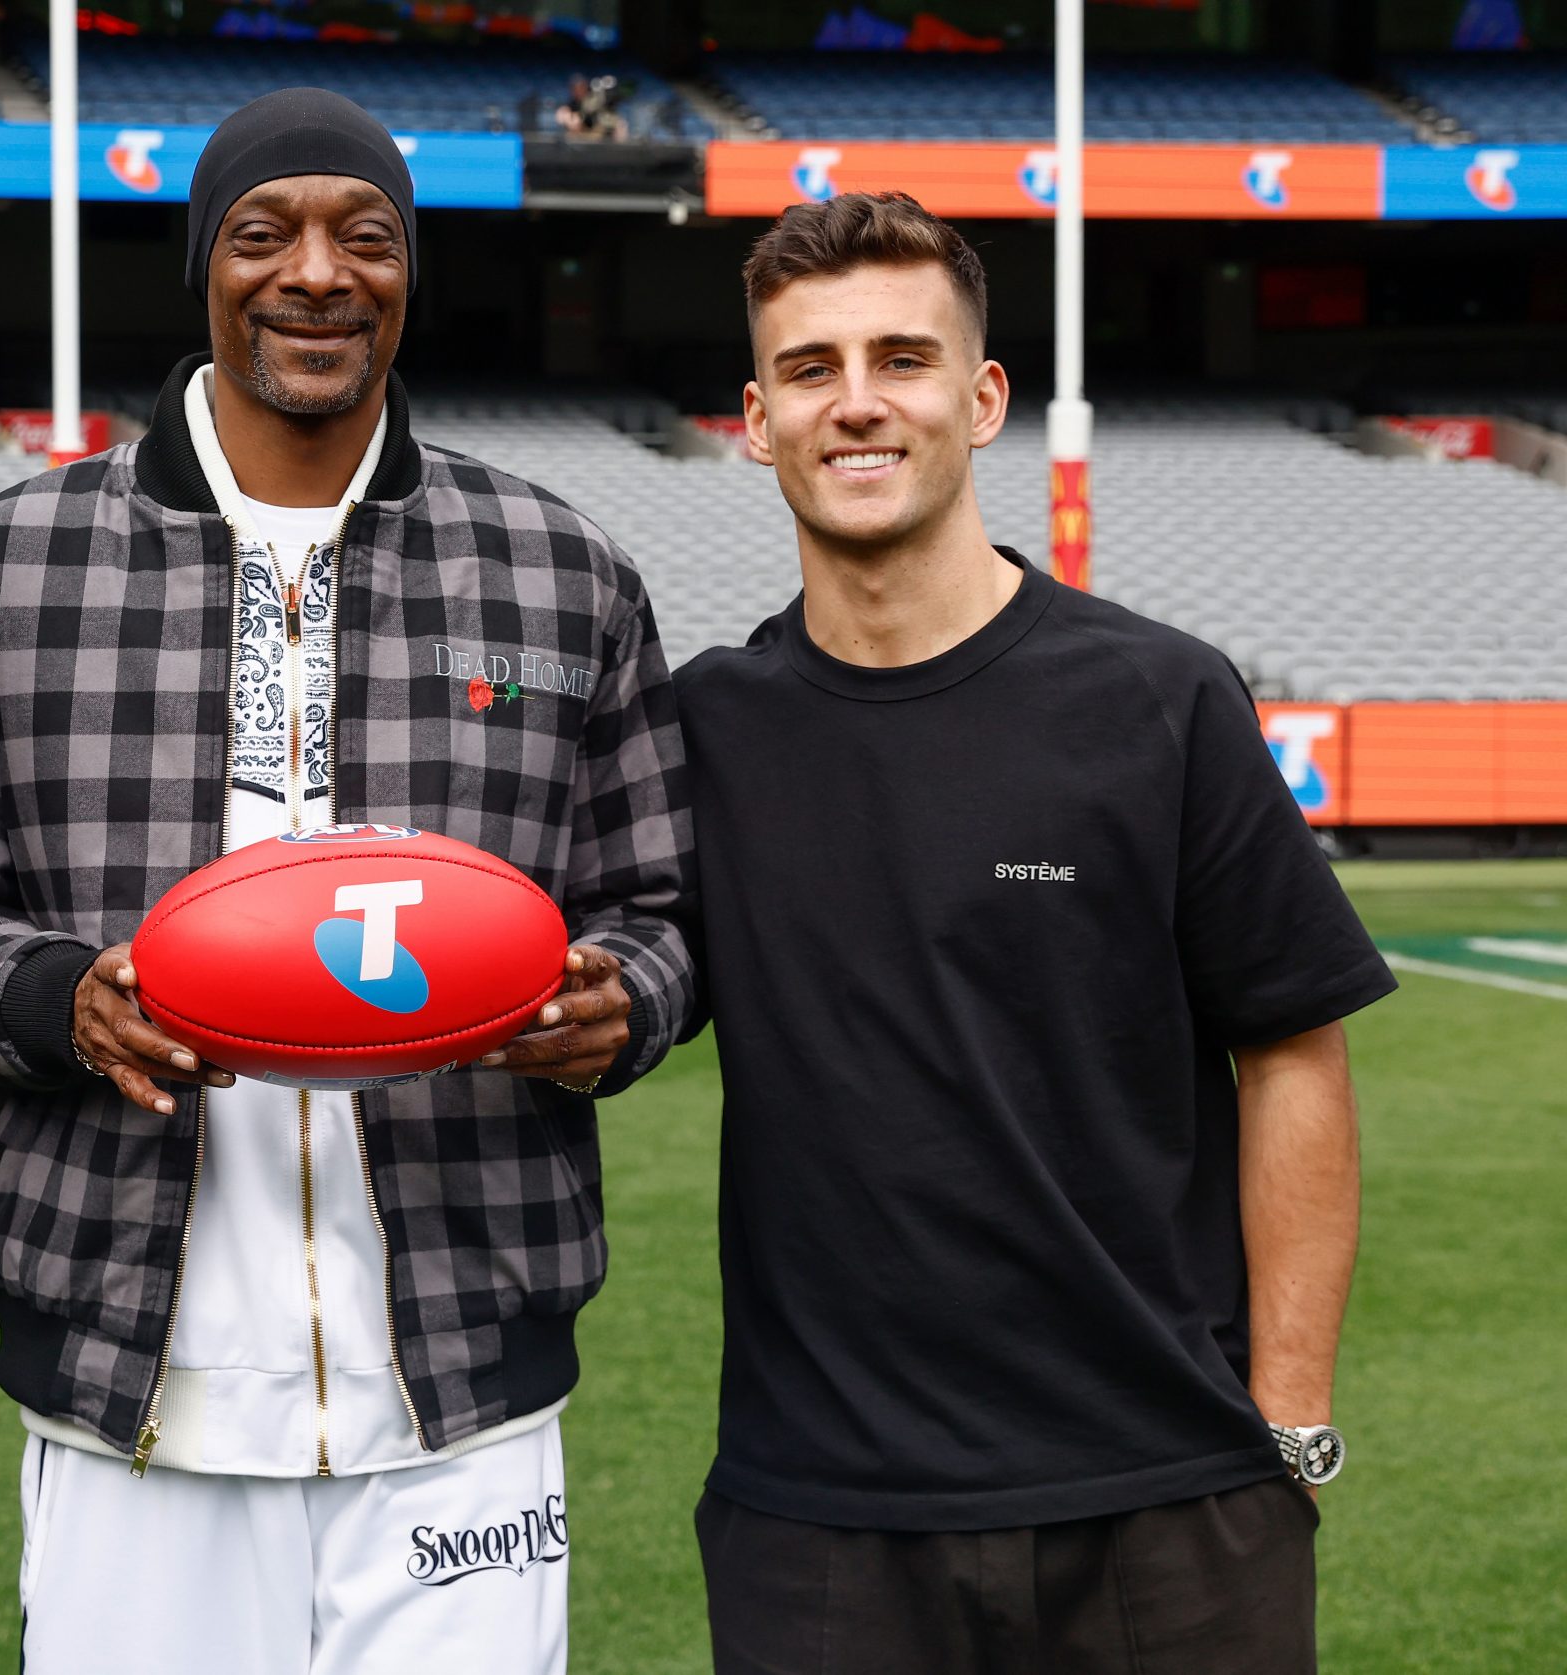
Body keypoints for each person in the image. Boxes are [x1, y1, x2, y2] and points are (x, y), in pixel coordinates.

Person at [0, 88, 693, 1675]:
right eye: (264, 234)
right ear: (204, 265)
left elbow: (660, 911)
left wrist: (625, 1004)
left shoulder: (558, 561)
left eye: (366, 238)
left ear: (410, 271)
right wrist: (65, 1002)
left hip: (464, 1372)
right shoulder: (21, 561)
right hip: (135, 1374)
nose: (317, 274)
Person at [672, 190, 1396, 1673]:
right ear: (756, 419)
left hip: (1171, 1509)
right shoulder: (704, 730)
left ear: (983, 396)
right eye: (810, 369)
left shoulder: (1159, 700)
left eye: (903, 359)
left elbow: (1295, 1050)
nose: (856, 404)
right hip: (821, 1524)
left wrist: (1292, 1420)